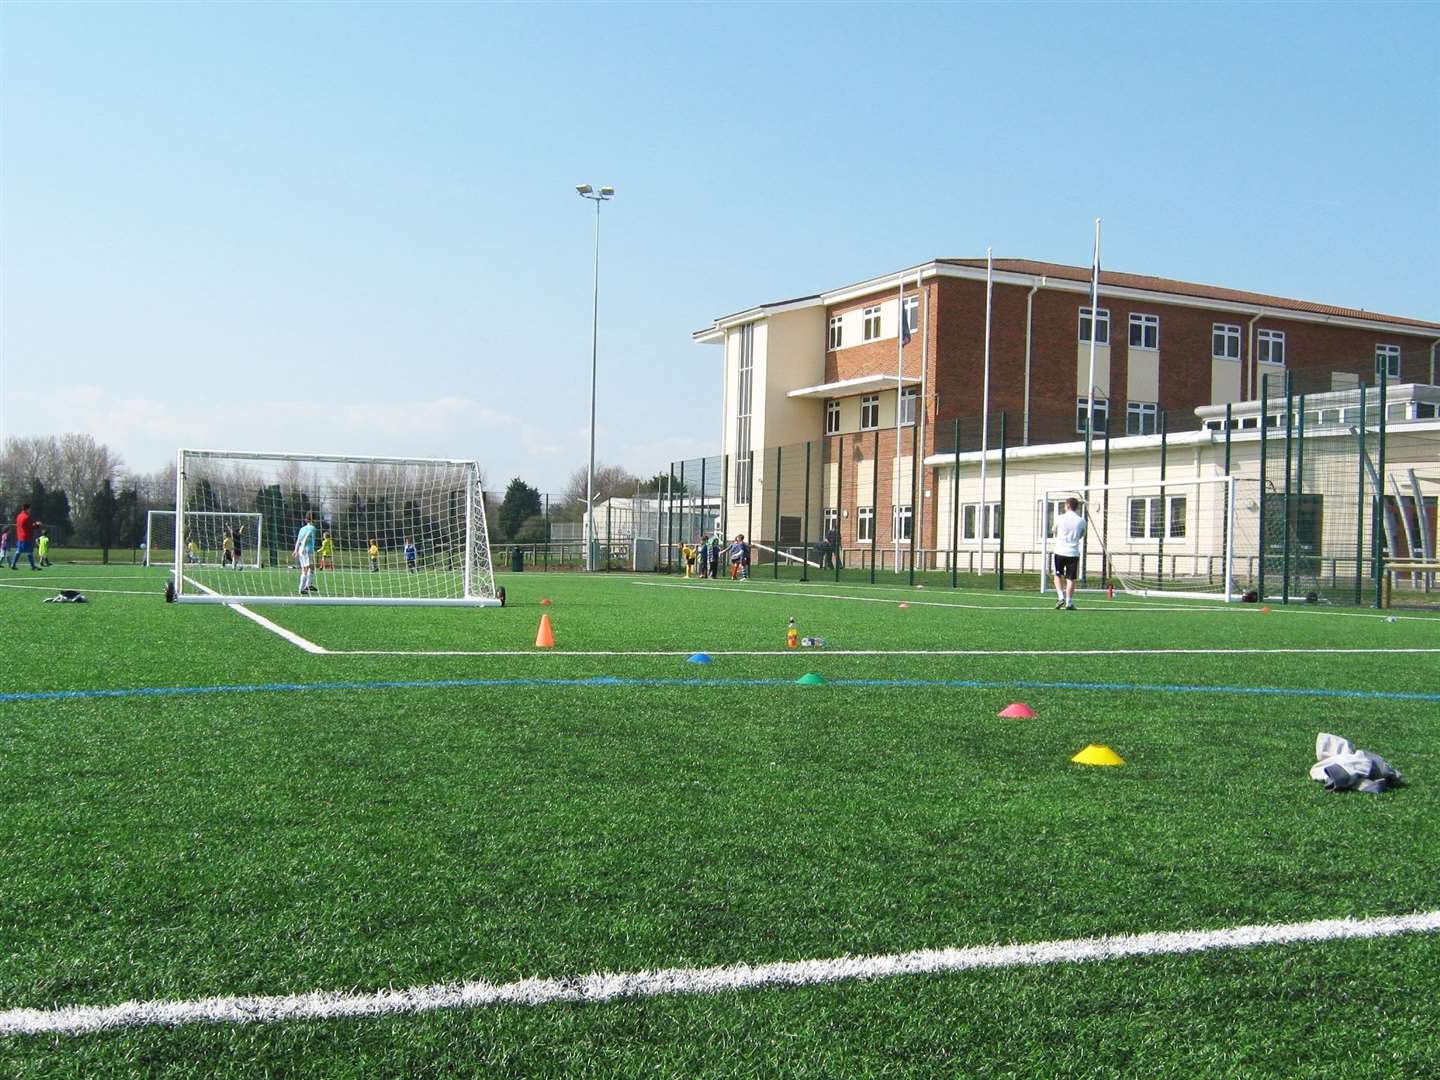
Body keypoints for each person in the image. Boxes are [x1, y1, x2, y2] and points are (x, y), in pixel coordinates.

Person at [1051, 497, 1086, 610]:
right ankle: (1069, 602)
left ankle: (1061, 597)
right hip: (1073, 552)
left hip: (1060, 551)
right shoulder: (1081, 520)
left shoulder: (1059, 518)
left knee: (1057, 575)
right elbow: (1082, 535)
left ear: (1068, 506)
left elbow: (1054, 531)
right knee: (1070, 578)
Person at [292, 511, 319, 595]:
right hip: (307, 550)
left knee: (310, 568)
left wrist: (296, 550)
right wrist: (304, 547)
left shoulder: (302, 529)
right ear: (314, 520)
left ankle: (306, 586)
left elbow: (298, 540)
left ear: (306, 519)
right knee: (307, 569)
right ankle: (304, 587)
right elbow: (307, 537)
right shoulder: (312, 528)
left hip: (301, 550)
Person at [10, 503, 38, 570]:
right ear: (27, 509)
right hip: (27, 537)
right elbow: (30, 527)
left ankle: (13, 564)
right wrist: (37, 525)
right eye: (29, 508)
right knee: (30, 552)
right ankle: (33, 566)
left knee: (18, 551)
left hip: (20, 537)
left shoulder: (19, 516)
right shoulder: (27, 517)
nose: (30, 510)